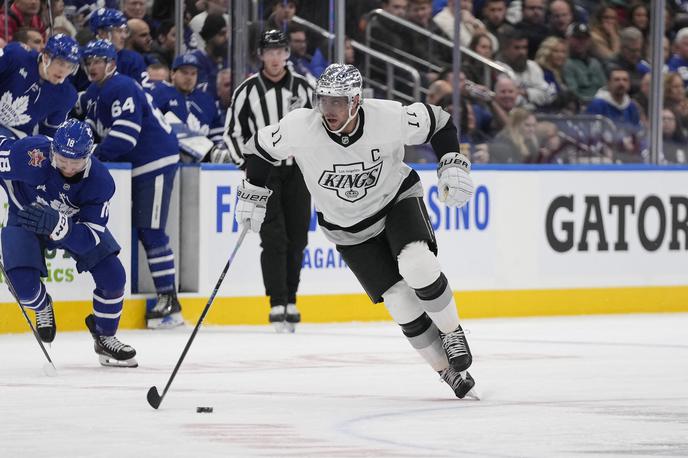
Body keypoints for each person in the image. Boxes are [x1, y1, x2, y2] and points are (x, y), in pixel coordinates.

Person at [235, 63, 477, 398]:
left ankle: (452, 332)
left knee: (416, 263)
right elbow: (258, 150)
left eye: (337, 101)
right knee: (398, 301)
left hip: (395, 201)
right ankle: (445, 370)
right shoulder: (300, 127)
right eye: (324, 100)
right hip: (347, 227)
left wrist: (451, 162)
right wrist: (252, 192)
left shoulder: (388, 117)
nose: (328, 109)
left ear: (356, 101)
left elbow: (440, 121)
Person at [0, 119, 137, 367]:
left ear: (89, 154)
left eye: (75, 162)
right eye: (62, 159)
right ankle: (42, 306)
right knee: (24, 290)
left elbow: (90, 237)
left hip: (74, 226)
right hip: (24, 217)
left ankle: (104, 336)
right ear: (53, 150)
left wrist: (60, 226)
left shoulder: (100, 182)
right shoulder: (31, 154)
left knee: (114, 276)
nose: (68, 167)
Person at [78, 39, 182, 329]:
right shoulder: (92, 95)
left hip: (155, 160)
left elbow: (125, 137)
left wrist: (90, 158)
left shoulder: (121, 86)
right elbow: (89, 132)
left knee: (151, 229)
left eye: (98, 60)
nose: (92, 66)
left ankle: (169, 298)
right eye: (89, 61)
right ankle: (166, 296)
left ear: (111, 63)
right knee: (140, 229)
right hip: (136, 167)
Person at [223, 29, 313, 333]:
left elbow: (321, 126)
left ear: (287, 53)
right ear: (261, 55)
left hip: (299, 171)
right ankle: (277, 300)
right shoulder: (247, 90)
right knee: (273, 237)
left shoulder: (306, 87)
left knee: (298, 237)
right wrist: (247, 165)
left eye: (280, 51)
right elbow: (233, 132)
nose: (275, 57)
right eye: (269, 51)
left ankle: (291, 299)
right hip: (265, 173)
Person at [0, 33, 79, 139]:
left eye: (70, 66)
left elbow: (49, 134)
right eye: (60, 63)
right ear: (46, 57)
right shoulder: (17, 56)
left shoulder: (67, 95)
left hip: (16, 136)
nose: (64, 71)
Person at [149, 53, 225, 162]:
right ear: (172, 74)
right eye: (184, 73)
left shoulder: (206, 100)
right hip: (168, 159)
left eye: (193, 73)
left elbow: (216, 133)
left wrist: (218, 153)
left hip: (203, 163)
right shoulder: (161, 93)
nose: (189, 78)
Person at [90, 8, 148, 84]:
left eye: (125, 31)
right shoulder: (83, 59)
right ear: (101, 33)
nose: (124, 36)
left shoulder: (133, 60)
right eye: (119, 31)